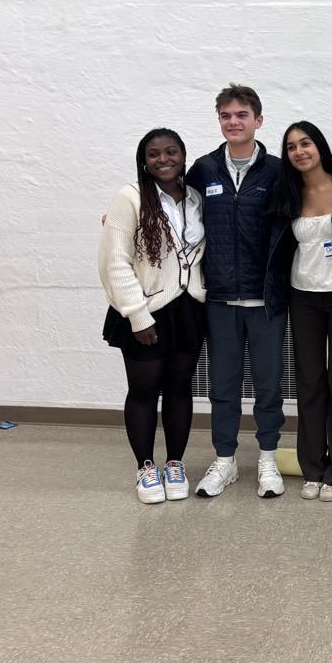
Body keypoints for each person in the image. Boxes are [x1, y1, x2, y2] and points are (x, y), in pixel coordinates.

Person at [185, 84, 287, 498]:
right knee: (222, 388)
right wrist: (132, 216)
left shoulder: (278, 171)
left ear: (258, 120)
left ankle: (268, 459)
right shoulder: (203, 169)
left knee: (268, 386)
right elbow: (176, 209)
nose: (234, 122)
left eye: (242, 115)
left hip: (265, 302)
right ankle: (224, 460)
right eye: (226, 116)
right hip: (220, 300)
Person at [98, 128, 207, 504]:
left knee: (179, 389)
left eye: (171, 151)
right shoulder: (129, 198)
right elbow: (115, 262)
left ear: (183, 156)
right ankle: (145, 467)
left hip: (188, 308)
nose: (164, 159)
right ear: (144, 162)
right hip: (145, 311)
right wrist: (137, 316)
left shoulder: (194, 198)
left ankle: (175, 463)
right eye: (154, 154)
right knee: (144, 391)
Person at [266, 122, 332, 503]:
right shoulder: (286, 193)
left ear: (319, 146)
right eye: (291, 146)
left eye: (305, 143)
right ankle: (312, 468)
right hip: (303, 299)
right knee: (309, 382)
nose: (299, 151)